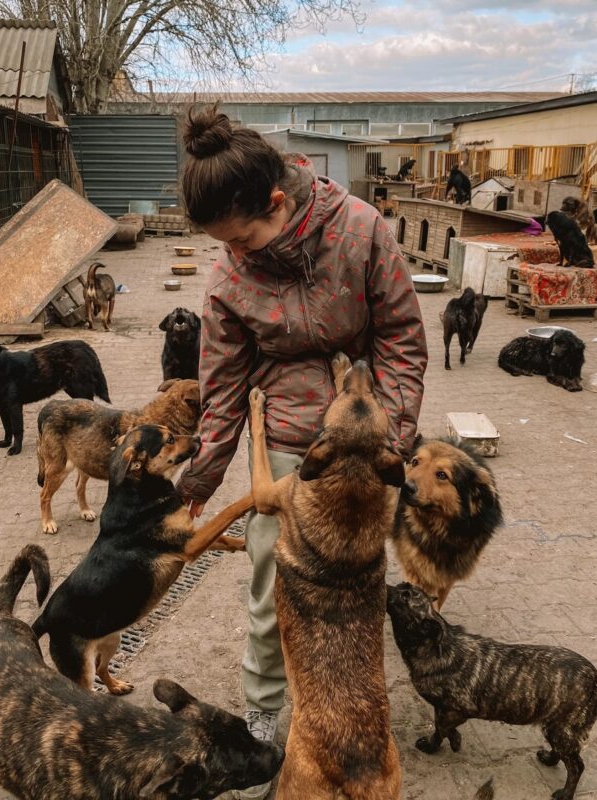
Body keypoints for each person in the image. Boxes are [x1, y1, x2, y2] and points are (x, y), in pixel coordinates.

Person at [177, 106, 427, 800]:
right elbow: (222, 383)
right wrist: (200, 476)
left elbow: (401, 337)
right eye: (224, 244)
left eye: (243, 237)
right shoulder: (229, 278)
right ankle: (264, 717)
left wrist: (390, 441)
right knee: (273, 588)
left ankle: (353, 720)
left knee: (359, 591)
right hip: (290, 440)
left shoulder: (361, 232)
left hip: (364, 438)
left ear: (277, 202)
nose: (236, 253)